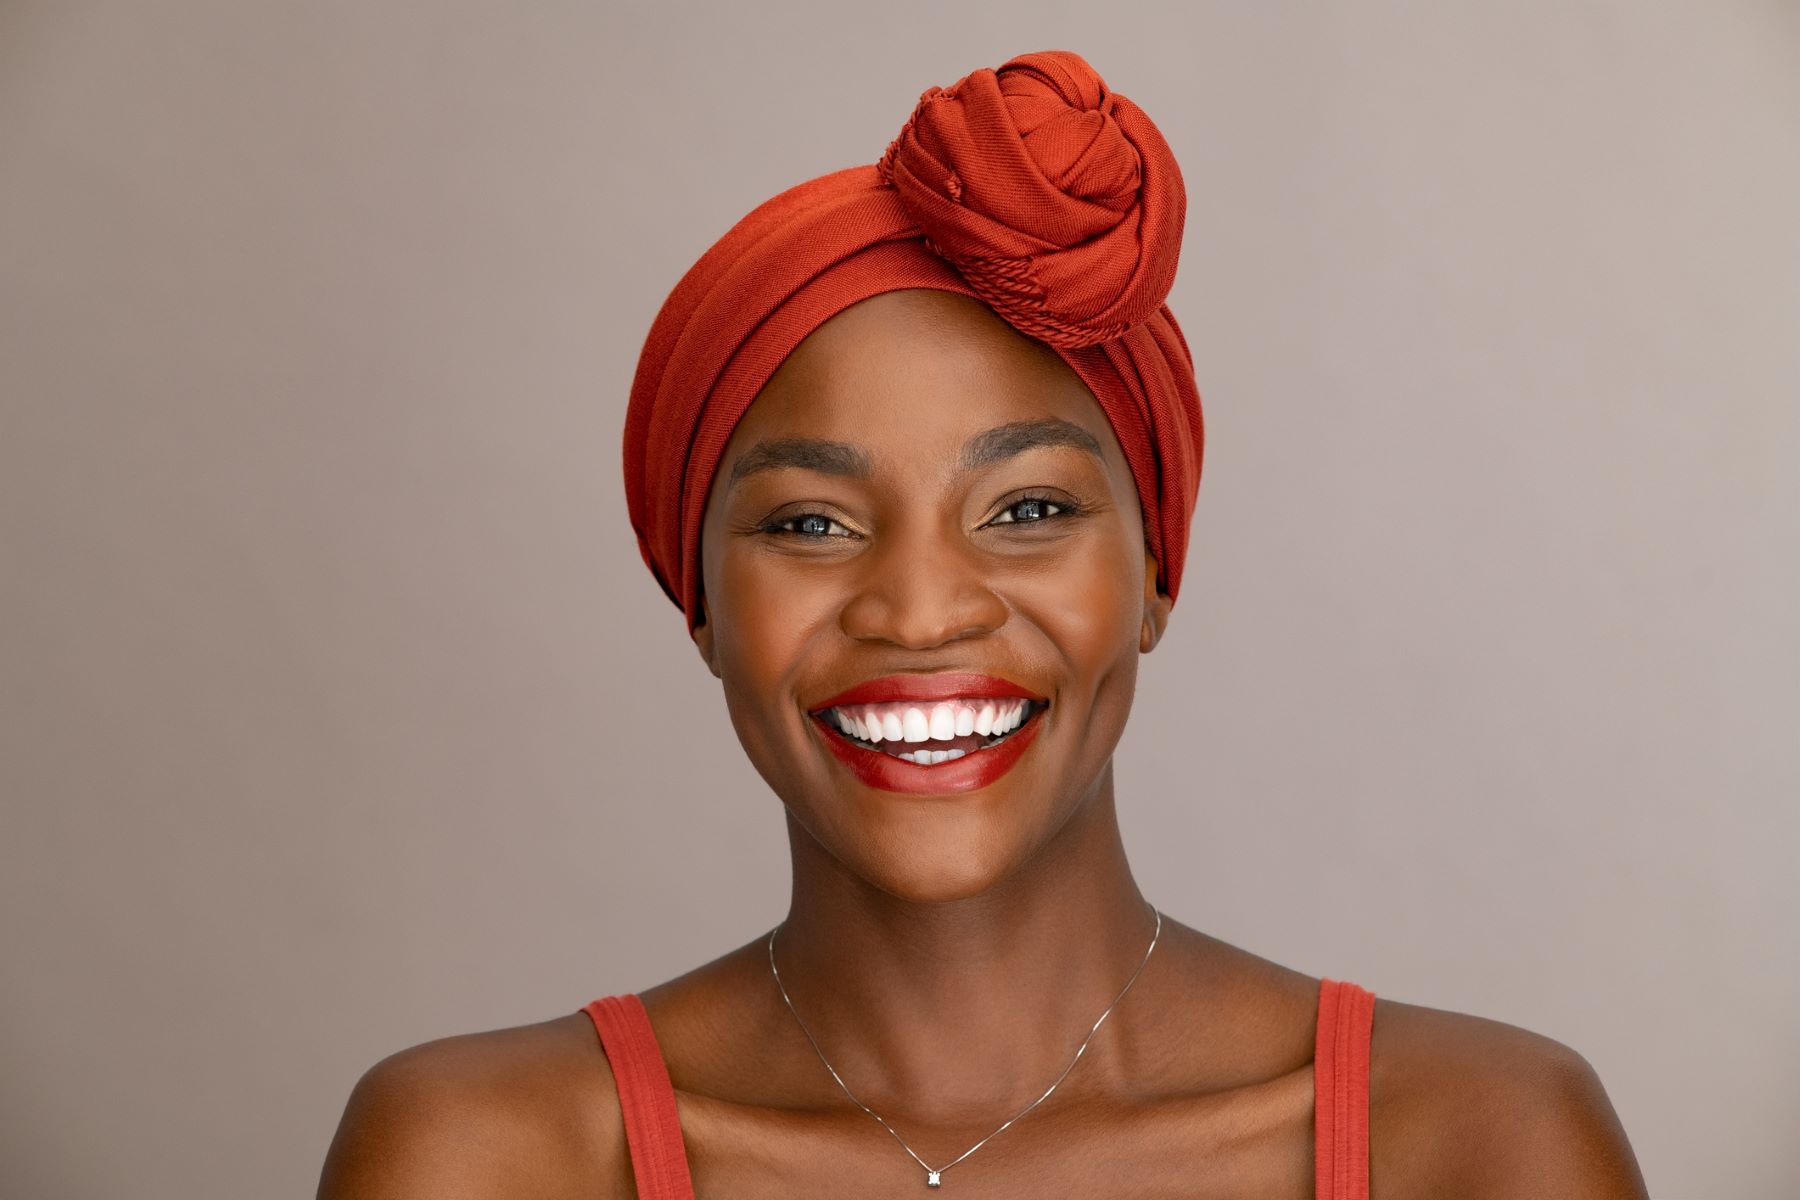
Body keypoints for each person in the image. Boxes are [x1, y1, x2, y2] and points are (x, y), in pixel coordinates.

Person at [318, 51, 1648, 1199]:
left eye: (1025, 508)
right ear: (703, 606)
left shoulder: (1480, 1146)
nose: (920, 609)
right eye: (810, 523)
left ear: (1154, 582)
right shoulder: (485, 1158)